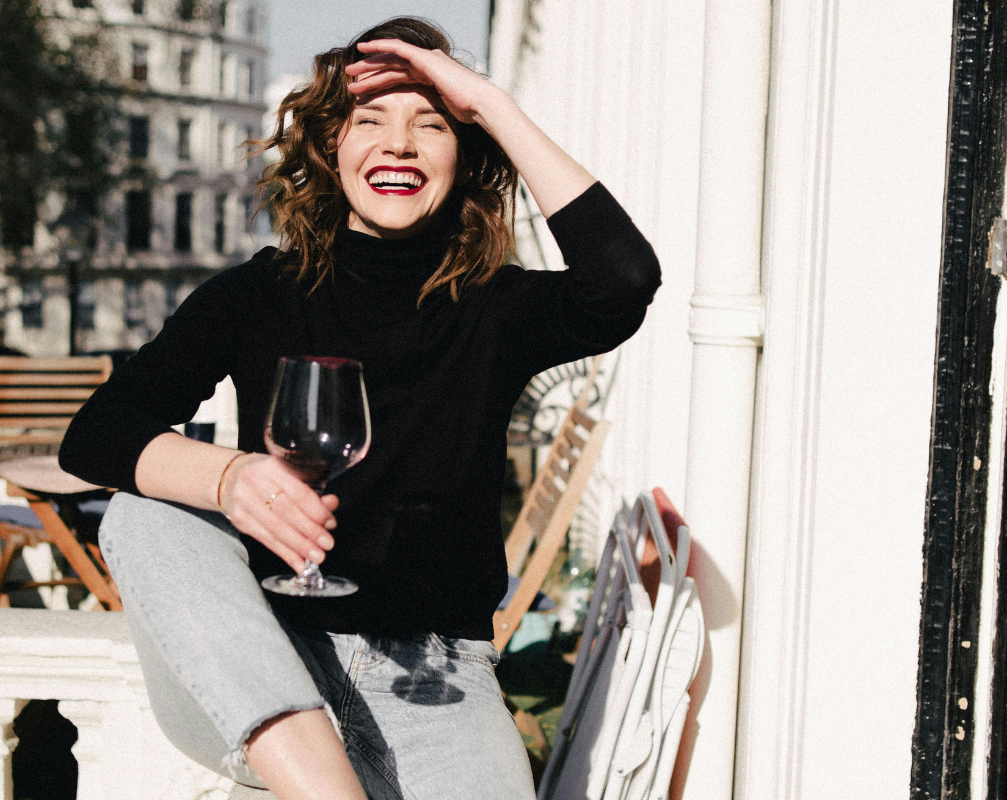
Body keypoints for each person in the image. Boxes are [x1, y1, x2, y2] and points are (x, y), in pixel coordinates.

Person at [59, 16, 660, 800]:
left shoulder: (496, 308)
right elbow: (93, 435)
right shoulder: (257, 296)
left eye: (431, 123)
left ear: (466, 153)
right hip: (266, 664)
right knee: (146, 513)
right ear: (330, 147)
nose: (399, 144)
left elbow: (622, 280)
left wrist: (491, 104)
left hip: (436, 685)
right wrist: (230, 479)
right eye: (369, 119)